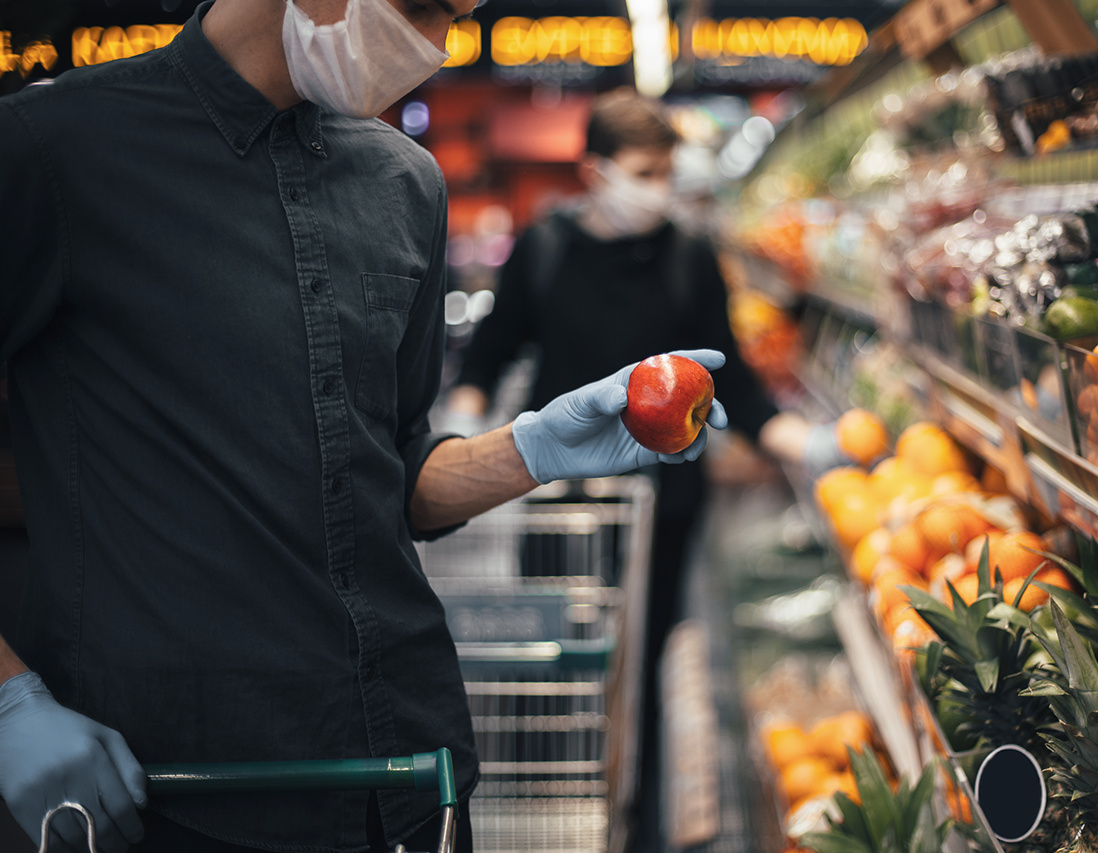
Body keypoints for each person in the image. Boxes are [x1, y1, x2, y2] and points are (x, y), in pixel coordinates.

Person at [0, 2, 730, 852]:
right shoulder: (55, 152)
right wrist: (9, 699)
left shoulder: (404, 183)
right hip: (174, 788)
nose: (440, 43)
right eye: (425, 8)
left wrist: (532, 448)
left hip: (413, 776)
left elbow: (391, 472)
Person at [444, 88, 850, 851]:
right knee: (562, 669)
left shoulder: (690, 253)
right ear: (595, 170)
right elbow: (490, 352)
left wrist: (801, 442)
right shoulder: (546, 247)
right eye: (641, 170)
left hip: (666, 501)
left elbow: (734, 379)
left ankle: (638, 826)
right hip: (561, 502)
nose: (657, 187)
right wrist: (464, 428)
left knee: (647, 658)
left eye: (665, 170)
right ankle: (563, 806)